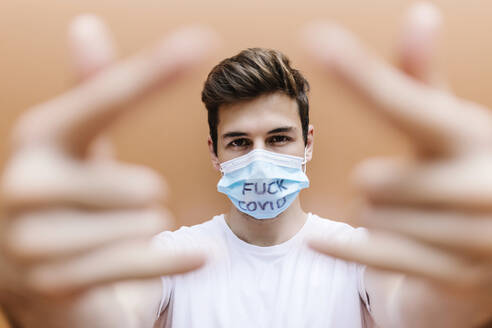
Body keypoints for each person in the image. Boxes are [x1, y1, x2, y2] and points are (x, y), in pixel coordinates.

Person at [0, 2, 491, 328]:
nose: (259, 158)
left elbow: (421, 311)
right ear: (214, 152)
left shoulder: (360, 256)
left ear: (308, 144)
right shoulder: (172, 258)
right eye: (238, 142)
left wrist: (471, 294)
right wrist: (47, 304)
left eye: (279, 138)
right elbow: (110, 315)